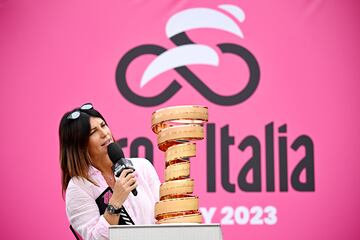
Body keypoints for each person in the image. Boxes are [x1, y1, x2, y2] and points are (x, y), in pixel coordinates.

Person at [59, 103, 160, 240]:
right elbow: (95, 238)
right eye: (93, 132)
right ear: (79, 145)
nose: (104, 133)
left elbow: (164, 217)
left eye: (103, 125)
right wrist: (116, 201)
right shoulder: (78, 187)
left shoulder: (142, 167)